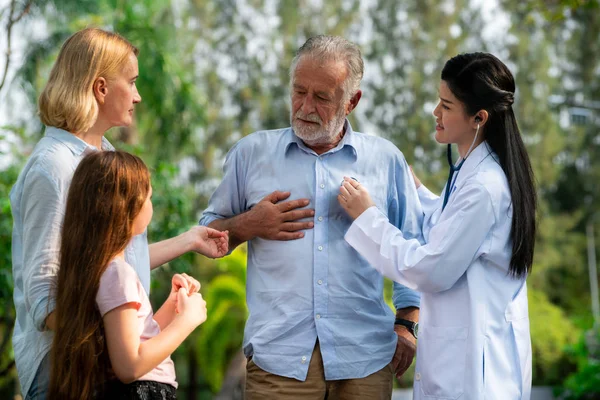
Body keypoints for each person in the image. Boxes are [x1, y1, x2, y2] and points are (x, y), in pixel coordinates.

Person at [200, 35, 422, 399]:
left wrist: (407, 325)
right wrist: (251, 224)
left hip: (365, 359)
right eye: (299, 91)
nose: (305, 106)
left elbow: (412, 248)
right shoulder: (250, 154)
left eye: (321, 97)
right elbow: (207, 237)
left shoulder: (386, 160)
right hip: (279, 362)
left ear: (352, 101)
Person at [10, 28, 227, 399]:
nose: (138, 96)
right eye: (132, 82)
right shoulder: (54, 168)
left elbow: (106, 258)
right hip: (66, 375)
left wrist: (188, 240)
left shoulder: (100, 158)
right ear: (100, 88)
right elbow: (44, 296)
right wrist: (124, 345)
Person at [339, 52, 536, 400]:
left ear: (479, 117)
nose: (436, 112)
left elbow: (430, 269)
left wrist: (367, 216)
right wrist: (412, 186)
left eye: (446, 105)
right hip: (462, 364)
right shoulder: (473, 172)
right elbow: (447, 222)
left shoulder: (484, 187)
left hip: (476, 378)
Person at [47, 151, 226, 400]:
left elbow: (132, 338)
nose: (151, 205)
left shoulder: (96, 270)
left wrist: (172, 308)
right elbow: (129, 366)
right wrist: (187, 321)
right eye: (149, 198)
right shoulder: (118, 275)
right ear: (125, 207)